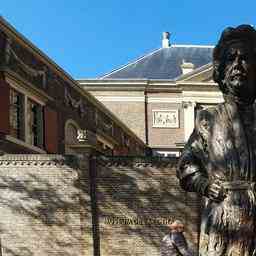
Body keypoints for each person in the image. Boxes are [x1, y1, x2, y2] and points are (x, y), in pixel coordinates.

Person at [177, 24, 256, 256]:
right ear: (221, 70)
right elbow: (186, 163)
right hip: (223, 216)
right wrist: (204, 184)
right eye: (231, 59)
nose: (238, 65)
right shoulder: (207, 119)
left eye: (245, 58)